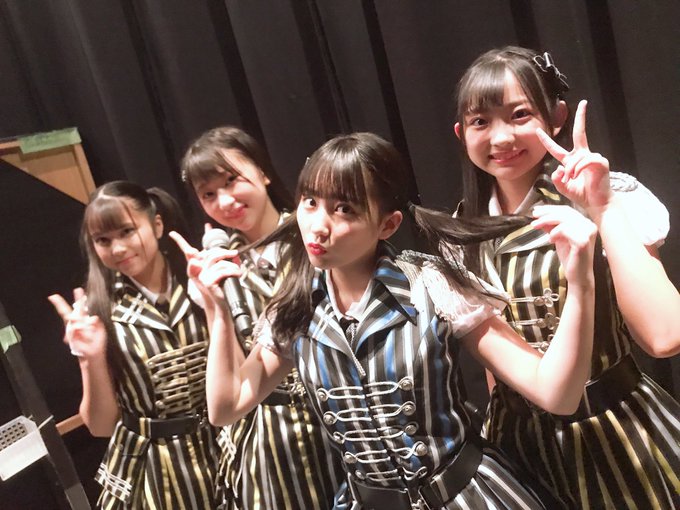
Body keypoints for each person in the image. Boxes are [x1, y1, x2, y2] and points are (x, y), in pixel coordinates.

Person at [173, 132, 597, 509]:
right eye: (310, 202)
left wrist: (580, 283)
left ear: (388, 224)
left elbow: (556, 394)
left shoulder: (432, 285)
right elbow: (225, 407)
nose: (318, 226)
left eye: (344, 209)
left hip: (464, 495)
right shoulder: (296, 307)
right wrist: (216, 310)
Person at [453, 45, 680, 509]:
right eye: (480, 121)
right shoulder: (461, 233)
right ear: (461, 133)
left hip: (619, 433)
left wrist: (603, 207)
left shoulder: (609, 195)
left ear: (556, 116)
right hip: (519, 449)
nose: (501, 137)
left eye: (519, 115)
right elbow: (497, 369)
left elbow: (665, 336)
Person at [180, 126, 343, 509]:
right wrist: (213, 305)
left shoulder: (315, 233)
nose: (225, 201)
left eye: (231, 180)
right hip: (270, 439)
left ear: (263, 171)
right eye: (208, 194)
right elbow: (232, 378)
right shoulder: (218, 268)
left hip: (341, 415)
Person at [48, 181, 219, 509]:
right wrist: (91, 358)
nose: (117, 249)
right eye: (103, 240)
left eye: (127, 231)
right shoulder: (95, 312)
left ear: (157, 225)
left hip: (222, 448)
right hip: (152, 470)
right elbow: (100, 426)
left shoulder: (199, 279)